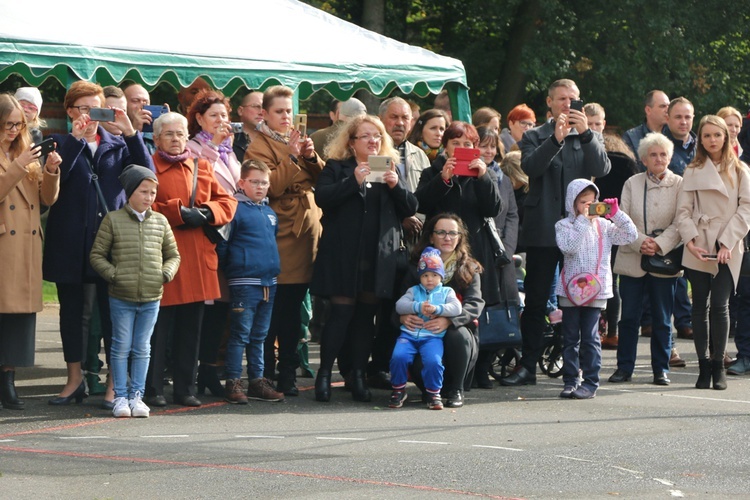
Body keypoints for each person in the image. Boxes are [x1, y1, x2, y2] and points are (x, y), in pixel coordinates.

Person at [45, 80, 153, 406]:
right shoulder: (59, 142)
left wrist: (131, 133)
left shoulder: (118, 144)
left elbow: (147, 177)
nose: (89, 115)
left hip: (109, 244)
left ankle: (114, 384)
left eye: (96, 107)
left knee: (113, 314)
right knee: (72, 313)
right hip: (69, 240)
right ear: (69, 111)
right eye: (82, 108)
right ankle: (74, 379)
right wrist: (77, 140)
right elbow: (54, 182)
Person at [502, 78, 610, 387]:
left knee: (578, 297)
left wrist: (586, 133)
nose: (566, 104)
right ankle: (528, 365)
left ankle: (573, 365)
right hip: (544, 229)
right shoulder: (535, 135)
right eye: (561, 99)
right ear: (549, 103)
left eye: (572, 99)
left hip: (579, 229)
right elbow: (531, 169)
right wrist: (555, 139)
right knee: (536, 300)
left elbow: (601, 169)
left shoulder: (589, 136)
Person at [312, 114, 418, 403]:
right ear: (352, 141)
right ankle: (324, 374)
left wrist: (397, 186)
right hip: (344, 255)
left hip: (377, 256)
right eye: (366, 136)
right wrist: (353, 180)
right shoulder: (337, 167)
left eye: (377, 136)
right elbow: (323, 198)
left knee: (364, 319)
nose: (373, 141)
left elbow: (411, 206)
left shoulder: (389, 167)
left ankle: (358, 375)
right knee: (340, 314)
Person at [147, 112, 237, 407]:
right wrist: (176, 211)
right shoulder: (150, 166)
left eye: (180, 134)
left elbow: (228, 202)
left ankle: (186, 389)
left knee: (191, 329)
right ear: (157, 138)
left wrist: (208, 212)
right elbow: (144, 203)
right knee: (158, 331)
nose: (175, 139)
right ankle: (153, 388)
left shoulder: (203, 165)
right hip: (165, 256)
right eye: (169, 134)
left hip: (198, 257)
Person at [246, 85, 325, 397]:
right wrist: (293, 157)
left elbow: (323, 179)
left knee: (294, 308)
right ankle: (264, 373)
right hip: (279, 230)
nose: (286, 117)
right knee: (274, 307)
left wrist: (310, 156)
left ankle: (288, 371)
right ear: (265, 114)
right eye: (279, 111)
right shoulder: (258, 146)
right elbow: (271, 188)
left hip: (307, 229)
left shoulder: (301, 141)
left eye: (289, 111)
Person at [89, 165, 180, 417]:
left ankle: (137, 396)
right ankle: (120, 397)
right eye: (143, 191)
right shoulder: (113, 220)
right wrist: (114, 275)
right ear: (130, 192)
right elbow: (97, 256)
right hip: (121, 296)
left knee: (142, 347)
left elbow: (173, 255)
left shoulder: (161, 221)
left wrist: (165, 274)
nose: (149, 197)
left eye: (153, 192)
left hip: (152, 297)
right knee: (120, 347)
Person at [676, 115, 750, 391]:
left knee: (720, 306)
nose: (712, 140)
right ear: (701, 140)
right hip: (698, 243)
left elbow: (747, 209)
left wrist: (727, 242)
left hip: (727, 245)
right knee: (699, 307)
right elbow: (682, 211)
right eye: (706, 136)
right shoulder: (692, 170)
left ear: (726, 137)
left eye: (716, 135)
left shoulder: (741, 170)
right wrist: (691, 240)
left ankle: (719, 364)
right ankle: (703, 364)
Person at [0, 94, 61, 410]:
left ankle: (8, 380)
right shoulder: (19, 157)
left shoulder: (27, 151)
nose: (13, 130)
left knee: (19, 317)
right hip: (3, 245)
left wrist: (51, 171)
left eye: (18, 125)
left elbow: (46, 200)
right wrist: (17, 166)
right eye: (8, 124)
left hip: (26, 244)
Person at [609, 133, 683, 385]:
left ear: (670, 157)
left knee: (662, 319)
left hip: (665, 259)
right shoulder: (632, 183)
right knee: (628, 318)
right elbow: (622, 219)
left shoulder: (680, 184)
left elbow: (681, 222)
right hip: (632, 258)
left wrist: (659, 244)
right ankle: (624, 368)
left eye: (663, 154)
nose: (659, 158)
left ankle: (661, 369)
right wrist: (641, 242)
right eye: (653, 154)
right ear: (643, 159)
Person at [556, 179, 637, 399]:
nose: (589, 207)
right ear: (572, 203)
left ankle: (591, 382)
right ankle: (571, 379)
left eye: (592, 202)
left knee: (591, 337)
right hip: (569, 290)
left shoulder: (605, 226)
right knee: (570, 336)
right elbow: (569, 248)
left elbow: (631, 235)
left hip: (596, 290)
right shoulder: (564, 225)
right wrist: (583, 220)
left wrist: (617, 214)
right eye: (583, 202)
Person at [185, 89, 243, 396]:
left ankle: (210, 367)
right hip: (206, 231)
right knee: (204, 304)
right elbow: (198, 184)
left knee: (222, 303)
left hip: (230, 231)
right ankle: (194, 370)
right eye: (214, 116)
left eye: (225, 115)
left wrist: (223, 148)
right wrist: (215, 147)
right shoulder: (192, 147)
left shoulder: (229, 151)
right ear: (198, 119)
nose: (221, 121)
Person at [399, 214, 485, 407]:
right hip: (424, 331)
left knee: (457, 334)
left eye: (453, 233)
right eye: (441, 232)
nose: (447, 238)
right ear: (431, 237)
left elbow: (475, 304)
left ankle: (456, 389)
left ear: (460, 237)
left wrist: (448, 320)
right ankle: (430, 391)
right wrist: (403, 317)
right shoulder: (415, 268)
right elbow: (398, 304)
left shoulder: (469, 267)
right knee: (414, 343)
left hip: (458, 335)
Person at [415, 121, 502, 309]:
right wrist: (443, 179)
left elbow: (493, 209)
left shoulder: (486, 174)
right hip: (439, 250)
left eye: (467, 144)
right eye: (455, 143)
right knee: (436, 302)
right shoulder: (431, 172)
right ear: (445, 145)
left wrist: (482, 178)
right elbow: (420, 204)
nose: (461, 148)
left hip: (474, 248)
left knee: (474, 303)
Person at [217, 160, 284, 404]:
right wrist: (234, 268)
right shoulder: (234, 209)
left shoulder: (269, 212)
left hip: (269, 282)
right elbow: (223, 244)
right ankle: (233, 380)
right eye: (254, 182)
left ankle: (257, 381)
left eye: (264, 183)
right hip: (244, 281)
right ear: (241, 183)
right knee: (240, 334)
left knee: (260, 335)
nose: (260, 187)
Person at [587, 103, 640, 348]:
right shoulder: (625, 159)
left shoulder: (615, 158)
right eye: (591, 124)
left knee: (600, 277)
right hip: (612, 223)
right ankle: (611, 331)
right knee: (609, 278)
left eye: (597, 124)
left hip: (602, 224)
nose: (594, 129)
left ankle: (604, 329)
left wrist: (600, 212)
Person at [472, 126, 520, 388]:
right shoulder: (472, 174)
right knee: (478, 310)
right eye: (484, 145)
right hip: (478, 250)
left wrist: (508, 248)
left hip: (501, 255)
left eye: (493, 146)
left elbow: (512, 214)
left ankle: (485, 366)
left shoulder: (503, 178)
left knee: (500, 312)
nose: (489, 151)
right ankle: (473, 367)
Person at [390, 247, 461, 410]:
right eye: (425, 275)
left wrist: (438, 310)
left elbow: (457, 308)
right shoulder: (413, 291)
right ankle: (398, 389)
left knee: (433, 361)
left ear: (441, 276)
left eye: (434, 275)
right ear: (420, 277)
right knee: (398, 357)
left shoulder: (447, 291)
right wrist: (417, 306)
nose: (430, 279)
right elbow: (399, 306)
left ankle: (434, 392)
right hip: (408, 335)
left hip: (432, 336)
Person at [622, 90, 670, 162]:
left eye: (669, 106)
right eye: (662, 106)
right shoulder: (631, 137)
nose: (667, 110)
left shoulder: (674, 135)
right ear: (648, 110)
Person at [123, 83, 156, 154]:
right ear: (124, 104)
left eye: (145, 102)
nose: (142, 105)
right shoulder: (115, 131)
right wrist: (134, 133)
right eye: (135, 101)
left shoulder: (156, 135)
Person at [232, 91, 264, 161]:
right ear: (240, 111)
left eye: (264, 108)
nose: (261, 112)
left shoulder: (273, 140)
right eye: (256, 106)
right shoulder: (229, 139)